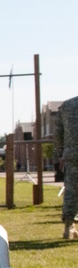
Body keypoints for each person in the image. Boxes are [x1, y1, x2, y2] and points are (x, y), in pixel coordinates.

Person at [55, 96, 78, 239]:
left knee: (71, 191)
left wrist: (60, 153)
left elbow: (58, 134)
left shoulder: (66, 106)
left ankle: (69, 227)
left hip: (72, 154)